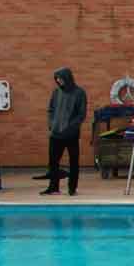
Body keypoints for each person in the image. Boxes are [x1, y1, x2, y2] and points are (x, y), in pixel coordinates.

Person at [43, 67, 87, 196]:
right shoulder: (56, 92)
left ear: (67, 78)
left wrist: (70, 127)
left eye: (60, 79)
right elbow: (50, 110)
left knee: (73, 162)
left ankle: (72, 188)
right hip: (56, 134)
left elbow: (81, 114)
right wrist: (51, 125)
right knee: (53, 161)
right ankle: (53, 187)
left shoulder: (79, 93)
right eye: (56, 79)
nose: (58, 81)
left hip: (71, 134)